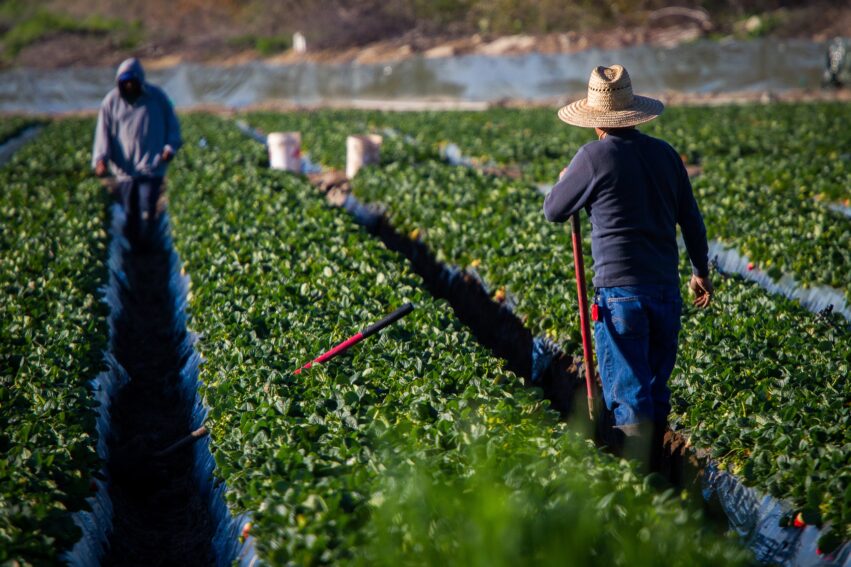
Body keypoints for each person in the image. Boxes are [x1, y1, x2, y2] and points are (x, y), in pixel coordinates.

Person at [543, 65, 712, 465]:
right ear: (633, 112)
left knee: (629, 395)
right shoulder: (666, 154)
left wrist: (568, 177)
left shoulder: (593, 156)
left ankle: (636, 481)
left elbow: (553, 209)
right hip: (666, 292)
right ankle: (658, 469)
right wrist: (700, 271)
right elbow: (691, 218)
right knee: (654, 388)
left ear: (595, 121)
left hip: (620, 298)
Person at [92, 58, 182, 248]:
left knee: (147, 208)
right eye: (126, 82)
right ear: (120, 82)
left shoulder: (157, 98)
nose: (130, 85)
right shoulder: (111, 102)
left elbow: (173, 126)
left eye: (133, 80)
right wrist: (101, 158)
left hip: (152, 165)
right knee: (130, 211)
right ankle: (135, 250)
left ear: (141, 80)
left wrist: (169, 148)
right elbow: (103, 133)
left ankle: (147, 247)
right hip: (124, 169)